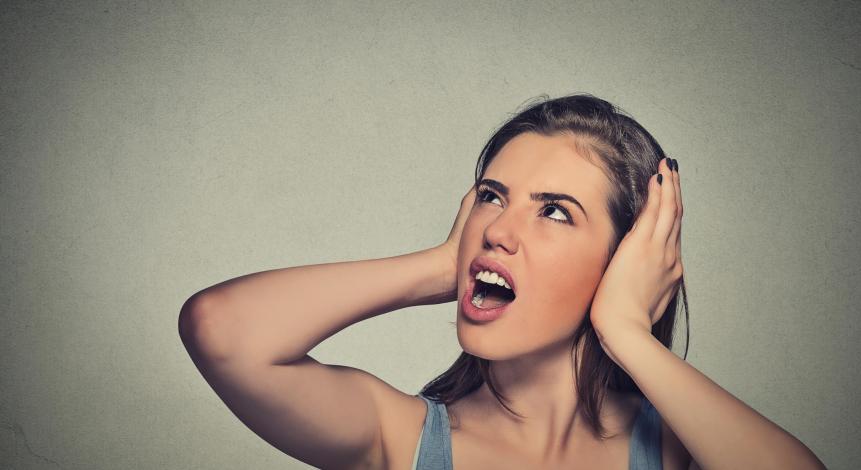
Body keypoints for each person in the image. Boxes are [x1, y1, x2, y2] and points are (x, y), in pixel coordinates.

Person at [178, 94, 826, 469]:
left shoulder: (675, 447)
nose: (497, 229)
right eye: (492, 196)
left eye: (553, 210)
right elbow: (222, 329)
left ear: (625, 259)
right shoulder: (403, 439)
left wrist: (628, 333)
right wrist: (443, 263)